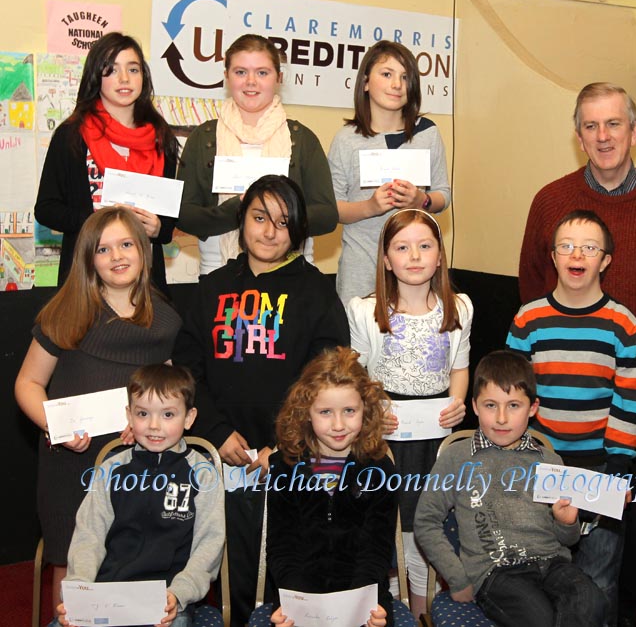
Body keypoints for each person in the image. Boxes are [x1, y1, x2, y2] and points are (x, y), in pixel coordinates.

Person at [517, 82, 636, 626]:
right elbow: (530, 281)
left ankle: (624, 608)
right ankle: (556, 607)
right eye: (591, 126)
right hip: (561, 392)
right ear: (578, 136)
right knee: (553, 505)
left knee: (624, 508)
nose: (603, 136)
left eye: (613, 124)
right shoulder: (550, 200)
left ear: (635, 131)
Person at [174, 174, 350, 626]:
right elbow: (187, 370)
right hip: (222, 457)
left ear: (298, 232)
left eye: (283, 222)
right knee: (231, 575)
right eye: (259, 217)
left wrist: (286, 443)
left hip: (290, 459)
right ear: (242, 220)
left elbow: (324, 381)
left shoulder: (316, 292)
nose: (269, 231)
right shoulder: (211, 288)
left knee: (287, 578)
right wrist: (213, 430)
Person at [14, 207, 182, 624]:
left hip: (137, 464)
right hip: (71, 465)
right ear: (88, 258)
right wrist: (58, 427)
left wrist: (152, 422)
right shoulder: (66, 312)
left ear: (143, 250)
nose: (117, 255)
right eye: (103, 249)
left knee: (137, 558)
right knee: (72, 563)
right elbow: (27, 385)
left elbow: (170, 393)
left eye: (126, 244)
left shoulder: (165, 319)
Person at [507, 209, 636, 624]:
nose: (576, 254)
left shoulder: (624, 326)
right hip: (540, 465)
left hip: (601, 469)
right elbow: (514, 397)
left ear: (605, 260)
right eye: (566, 245)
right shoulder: (527, 320)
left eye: (589, 247)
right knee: (541, 572)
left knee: (599, 577)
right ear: (553, 256)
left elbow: (630, 402)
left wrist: (617, 470)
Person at [414, 350, 607, 627]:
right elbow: (426, 520)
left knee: (590, 600)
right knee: (539, 618)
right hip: (497, 573)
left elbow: (568, 540)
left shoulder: (550, 462)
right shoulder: (457, 458)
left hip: (554, 564)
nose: (501, 418)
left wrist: (567, 522)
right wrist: (457, 578)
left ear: (532, 408)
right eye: (491, 405)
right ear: (476, 406)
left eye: (513, 406)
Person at [347, 208, 472, 617]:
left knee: (425, 527)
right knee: (381, 523)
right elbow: (356, 373)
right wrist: (372, 411)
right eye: (402, 247)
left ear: (440, 255)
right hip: (384, 435)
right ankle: (383, 608)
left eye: (425, 246)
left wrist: (457, 403)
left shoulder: (460, 307)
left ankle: (420, 612)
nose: (414, 256)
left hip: (434, 436)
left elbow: (459, 366)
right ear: (386, 259)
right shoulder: (364, 311)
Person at [55, 364, 225, 627]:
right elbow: (89, 535)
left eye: (168, 414)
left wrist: (179, 593)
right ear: (129, 415)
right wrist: (80, 590)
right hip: (108, 593)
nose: (154, 425)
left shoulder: (203, 475)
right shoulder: (111, 469)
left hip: (167, 599)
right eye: (143, 413)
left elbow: (209, 545)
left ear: (189, 418)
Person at [176, 33, 337, 275]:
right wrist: (234, 211)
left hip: (293, 275)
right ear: (226, 77)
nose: (251, 81)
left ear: (278, 78)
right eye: (241, 72)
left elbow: (327, 215)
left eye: (262, 73)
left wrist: (278, 212)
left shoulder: (302, 139)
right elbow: (183, 214)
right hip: (219, 274)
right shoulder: (204, 137)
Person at [35, 32, 179, 294]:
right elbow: (46, 209)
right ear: (95, 77)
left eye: (133, 69)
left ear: (143, 77)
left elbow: (168, 223)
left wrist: (159, 227)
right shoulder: (72, 135)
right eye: (111, 69)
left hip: (145, 282)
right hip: (86, 281)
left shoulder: (162, 138)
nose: (124, 79)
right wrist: (98, 221)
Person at [266, 347, 397, 627]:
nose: (338, 425)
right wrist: (297, 604)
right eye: (325, 412)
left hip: (364, 596)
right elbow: (282, 547)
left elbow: (376, 551)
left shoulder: (381, 470)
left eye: (349, 411)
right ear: (306, 412)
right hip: (299, 596)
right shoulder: (284, 467)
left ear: (366, 410)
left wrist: (359, 607)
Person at [329, 40, 451, 305]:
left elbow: (443, 195)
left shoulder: (427, 133)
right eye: (387, 74)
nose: (397, 84)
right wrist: (371, 207)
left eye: (405, 77)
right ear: (365, 82)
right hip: (362, 270)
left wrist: (422, 200)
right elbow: (333, 208)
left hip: (415, 271)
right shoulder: (346, 139)